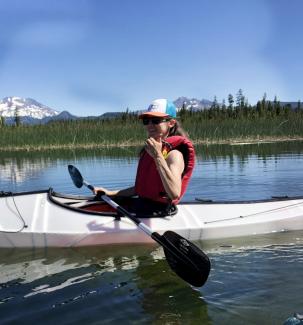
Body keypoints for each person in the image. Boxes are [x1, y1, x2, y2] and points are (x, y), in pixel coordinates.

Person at [94, 98, 195, 217]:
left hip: (159, 212)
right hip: (142, 205)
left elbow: (174, 193)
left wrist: (158, 156)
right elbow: (142, 189)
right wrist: (111, 193)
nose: (150, 125)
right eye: (147, 121)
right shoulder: (151, 150)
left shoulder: (175, 155)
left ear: (171, 123)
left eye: (156, 120)